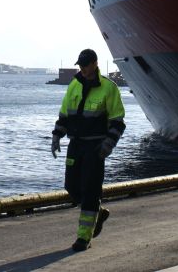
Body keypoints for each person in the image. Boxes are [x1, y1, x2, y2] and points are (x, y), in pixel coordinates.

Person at [51, 49, 126, 251]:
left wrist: (108, 144)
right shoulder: (74, 85)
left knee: (90, 190)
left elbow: (118, 122)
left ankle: (84, 238)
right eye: (80, 65)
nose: (82, 69)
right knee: (71, 187)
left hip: (95, 147)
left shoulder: (109, 89)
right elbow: (65, 114)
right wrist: (57, 135)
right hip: (76, 144)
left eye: (85, 65)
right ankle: (98, 213)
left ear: (94, 64)